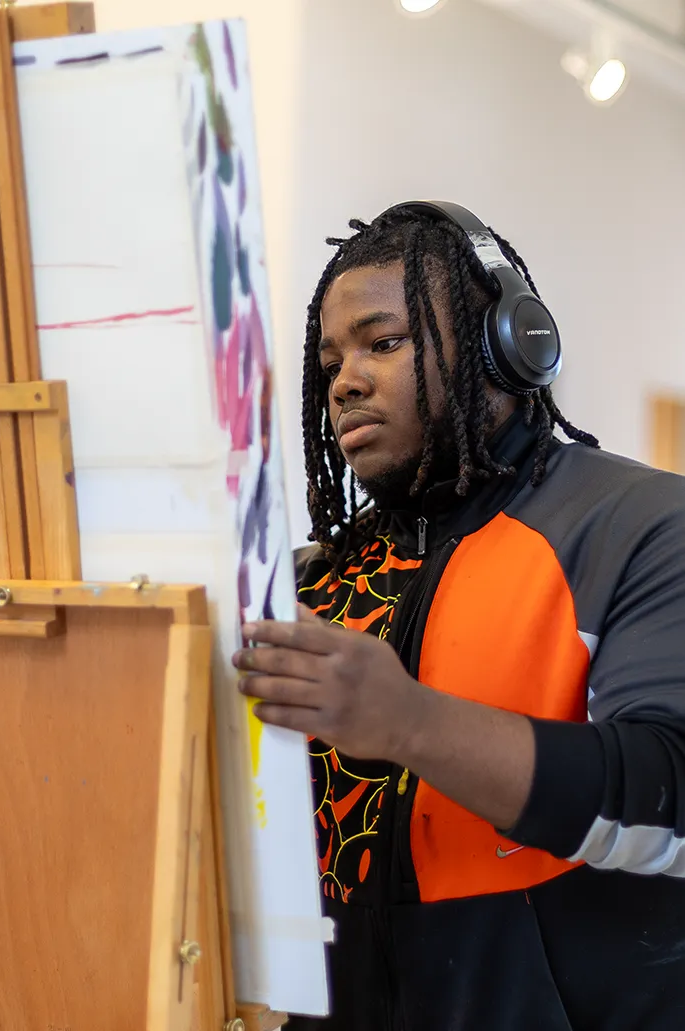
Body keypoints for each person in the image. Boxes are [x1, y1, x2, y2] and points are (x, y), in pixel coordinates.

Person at [232, 202, 685, 1031]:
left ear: (506, 346)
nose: (344, 380)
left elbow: (668, 799)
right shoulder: (308, 582)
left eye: (383, 341)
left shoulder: (642, 524)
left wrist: (409, 721)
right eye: (330, 360)